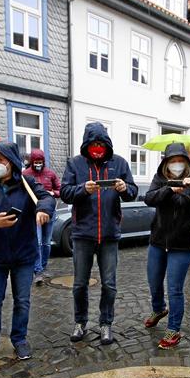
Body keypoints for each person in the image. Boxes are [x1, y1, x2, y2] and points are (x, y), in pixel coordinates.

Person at [0, 141, 55, 365]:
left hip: (23, 255)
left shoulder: (28, 183)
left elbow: (47, 197)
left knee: (22, 301)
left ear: (11, 161)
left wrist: (43, 209)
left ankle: (20, 339)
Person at [61, 122, 138, 345]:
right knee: (79, 284)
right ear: (87, 144)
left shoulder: (119, 163)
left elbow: (132, 192)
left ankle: (106, 324)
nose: (97, 148)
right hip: (82, 234)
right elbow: (64, 192)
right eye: (93, 144)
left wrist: (125, 188)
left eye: (100, 143)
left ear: (106, 144)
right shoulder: (75, 163)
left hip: (109, 234)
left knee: (109, 284)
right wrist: (82, 189)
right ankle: (80, 322)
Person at [143, 143, 190, 348]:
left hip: (182, 244)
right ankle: (159, 309)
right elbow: (149, 198)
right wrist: (168, 189)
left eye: (180, 161)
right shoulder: (160, 179)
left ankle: (173, 329)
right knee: (154, 282)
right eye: (172, 161)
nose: (176, 164)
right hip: (158, 241)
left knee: (174, 288)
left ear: (186, 162)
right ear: (166, 163)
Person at [23, 149, 61, 285]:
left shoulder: (50, 174)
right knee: (37, 241)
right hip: (34, 213)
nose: (38, 164)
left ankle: (43, 267)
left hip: (49, 212)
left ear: (43, 162)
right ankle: (37, 270)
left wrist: (53, 193)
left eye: (40, 162)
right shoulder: (25, 175)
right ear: (32, 162)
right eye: (36, 162)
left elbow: (60, 189)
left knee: (46, 242)